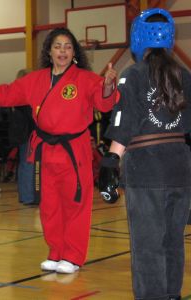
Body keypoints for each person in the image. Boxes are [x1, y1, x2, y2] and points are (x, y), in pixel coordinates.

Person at [0, 27, 117, 274]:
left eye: (68, 46)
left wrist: (108, 85)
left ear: (74, 52)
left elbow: (103, 101)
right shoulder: (35, 79)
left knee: (76, 204)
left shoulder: (86, 79)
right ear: (49, 51)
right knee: (50, 206)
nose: (63, 51)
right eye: (57, 46)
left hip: (74, 150)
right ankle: (56, 252)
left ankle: (73, 256)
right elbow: (5, 94)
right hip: (46, 151)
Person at [98, 9, 191, 300]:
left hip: (147, 170)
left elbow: (125, 119)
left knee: (148, 246)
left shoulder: (134, 74)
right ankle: (172, 295)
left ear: (138, 37)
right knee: (173, 241)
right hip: (180, 167)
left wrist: (111, 161)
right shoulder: (184, 75)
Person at [6, 69, 36, 205]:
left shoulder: (15, 92)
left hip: (20, 132)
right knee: (28, 164)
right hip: (27, 132)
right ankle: (29, 196)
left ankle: (25, 196)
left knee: (24, 164)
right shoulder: (26, 94)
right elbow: (32, 116)